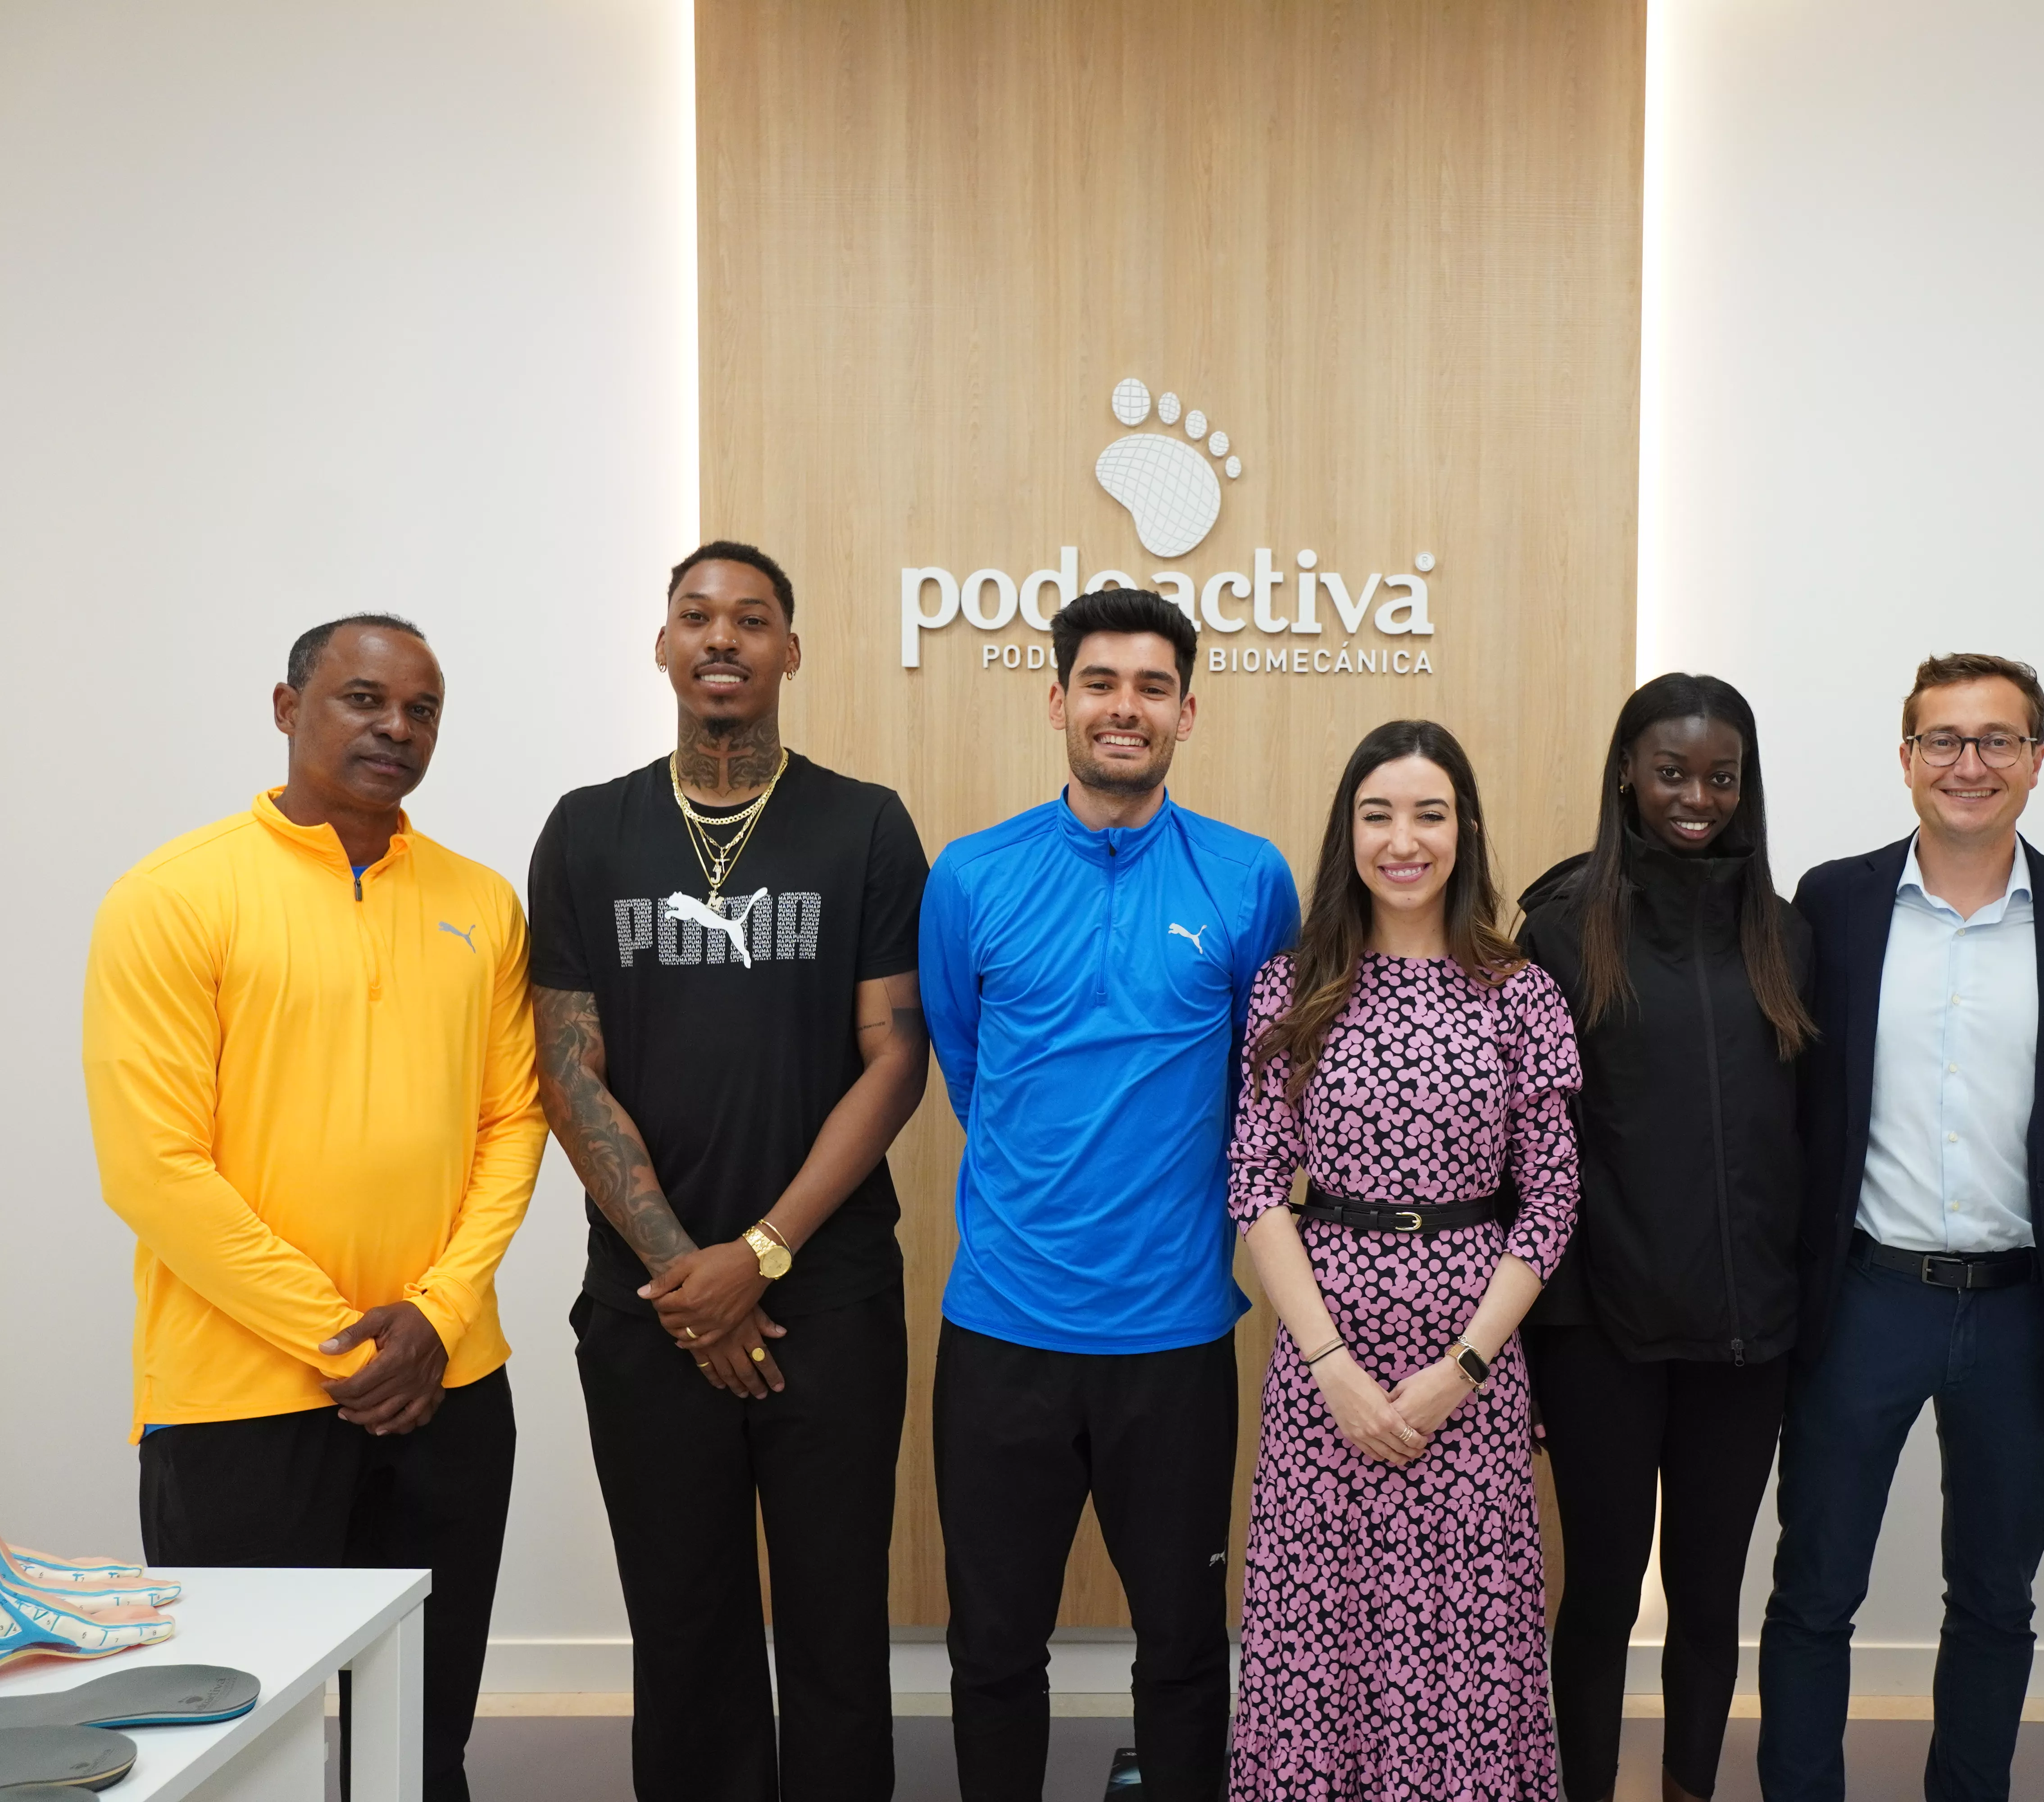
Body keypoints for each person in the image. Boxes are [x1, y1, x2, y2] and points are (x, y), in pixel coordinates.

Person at [83, 614, 543, 1801]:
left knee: (423, 1741)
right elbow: (154, 1168)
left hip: (450, 1385)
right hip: (239, 1399)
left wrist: (434, 1323)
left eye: (423, 708)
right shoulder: (173, 897)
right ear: (288, 709)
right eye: (362, 698)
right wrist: (343, 1340)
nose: (396, 726)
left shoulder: (481, 903)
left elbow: (515, 1124)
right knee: (245, 1747)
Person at [529, 542, 931, 1802]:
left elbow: (895, 1057)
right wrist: (684, 1275)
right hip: (650, 1309)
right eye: (696, 617)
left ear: (790, 654)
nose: (722, 639)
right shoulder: (590, 831)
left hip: (833, 1294)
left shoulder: (863, 824)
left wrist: (754, 1258)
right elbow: (567, 1071)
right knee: (685, 1620)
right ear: (661, 646)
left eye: (752, 620)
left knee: (833, 1622)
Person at [1758, 652, 2044, 1802]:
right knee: (1814, 1590)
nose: (1970, 763)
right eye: (1943, 739)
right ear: (1904, 759)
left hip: (2028, 1312)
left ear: (2039, 761)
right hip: (1862, 1301)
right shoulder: (1831, 903)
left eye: (1998, 740)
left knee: (1997, 1598)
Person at [918, 587, 1298, 1802]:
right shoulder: (972, 878)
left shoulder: (1248, 882)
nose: (1122, 708)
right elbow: (972, 1072)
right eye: (1099, 683)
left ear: (1188, 712)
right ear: (1058, 702)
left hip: (1176, 1342)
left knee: (1185, 1651)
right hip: (1001, 1337)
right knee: (990, 1653)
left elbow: (1262, 1095)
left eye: (1149, 688)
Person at [1223, 718, 1582, 1802]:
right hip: (1323, 1370)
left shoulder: (1519, 990)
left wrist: (1458, 1372)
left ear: (1464, 829)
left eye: (1429, 813)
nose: (1404, 839)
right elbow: (1254, 1182)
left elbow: (1553, 1197)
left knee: (1462, 1646)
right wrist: (1331, 1363)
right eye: (1378, 814)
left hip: (1470, 1370)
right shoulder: (1293, 985)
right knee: (1316, 1637)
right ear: (1349, 831)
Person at [1517, 674, 1815, 1802]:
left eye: (1721, 775)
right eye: (1673, 771)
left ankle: (1689, 1785)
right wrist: (1538, 1338)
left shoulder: (1788, 936)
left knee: (1708, 1592)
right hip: (1600, 1328)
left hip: (1747, 1338)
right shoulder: (1558, 928)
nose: (1699, 795)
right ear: (1627, 777)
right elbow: (1532, 1155)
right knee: (1597, 1588)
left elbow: (1806, 1136)